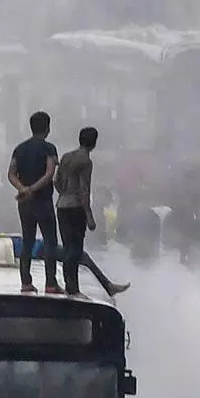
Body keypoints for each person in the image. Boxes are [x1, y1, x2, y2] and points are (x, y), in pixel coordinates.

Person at [54, 127, 130, 298]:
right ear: (94, 143)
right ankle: (73, 289)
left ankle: (72, 286)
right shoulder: (85, 161)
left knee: (68, 249)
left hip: (62, 205)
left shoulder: (66, 157)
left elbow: (56, 181)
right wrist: (89, 216)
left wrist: (64, 193)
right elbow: (84, 190)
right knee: (75, 249)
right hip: (75, 208)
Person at [8, 111, 62, 295]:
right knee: (50, 241)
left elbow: (11, 174)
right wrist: (33, 189)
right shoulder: (49, 148)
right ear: (47, 128)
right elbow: (49, 174)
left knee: (28, 240)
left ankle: (25, 282)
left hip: (24, 203)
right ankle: (51, 283)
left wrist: (23, 189)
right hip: (43, 201)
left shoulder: (20, 149)